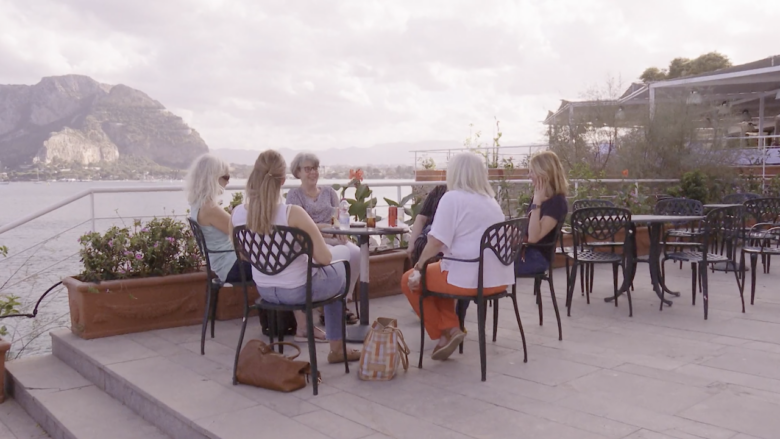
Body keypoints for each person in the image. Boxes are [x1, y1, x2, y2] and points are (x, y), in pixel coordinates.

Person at [232, 150, 360, 363]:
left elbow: (242, 254)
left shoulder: (237, 213)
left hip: (265, 290)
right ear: (283, 180)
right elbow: (325, 258)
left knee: (333, 267)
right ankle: (337, 349)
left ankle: (312, 332)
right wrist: (341, 251)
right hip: (297, 291)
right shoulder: (292, 213)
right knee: (340, 270)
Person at [401, 153, 515, 361]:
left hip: (469, 280)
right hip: (497, 280)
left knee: (409, 279)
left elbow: (436, 242)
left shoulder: (452, 198)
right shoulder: (491, 202)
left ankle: (444, 333)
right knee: (438, 273)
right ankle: (451, 329)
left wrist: (418, 266)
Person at [286, 152, 361, 329]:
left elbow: (339, 216)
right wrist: (323, 227)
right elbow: (297, 225)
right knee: (333, 257)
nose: (313, 172)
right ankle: (326, 306)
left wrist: (339, 227)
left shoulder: (329, 192)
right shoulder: (294, 195)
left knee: (356, 252)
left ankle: (343, 299)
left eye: (315, 168)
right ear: (298, 172)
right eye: (308, 169)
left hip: (333, 238)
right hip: (310, 241)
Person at [185, 153, 252, 283]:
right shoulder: (210, 209)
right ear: (213, 178)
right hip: (233, 267)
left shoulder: (197, 205)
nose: (228, 182)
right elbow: (243, 233)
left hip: (223, 264)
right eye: (226, 177)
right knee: (280, 265)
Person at [516, 151, 569, 275]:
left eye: (532, 172)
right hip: (524, 252)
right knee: (487, 262)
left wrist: (536, 203)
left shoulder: (557, 202)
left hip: (537, 258)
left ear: (544, 174)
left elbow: (533, 238)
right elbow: (527, 230)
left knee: (491, 269)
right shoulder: (539, 198)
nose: (529, 176)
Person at [407, 185, 447, 267]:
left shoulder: (456, 197)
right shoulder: (439, 190)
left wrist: (420, 266)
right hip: (428, 239)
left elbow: (437, 241)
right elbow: (421, 217)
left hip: (442, 246)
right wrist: (411, 244)